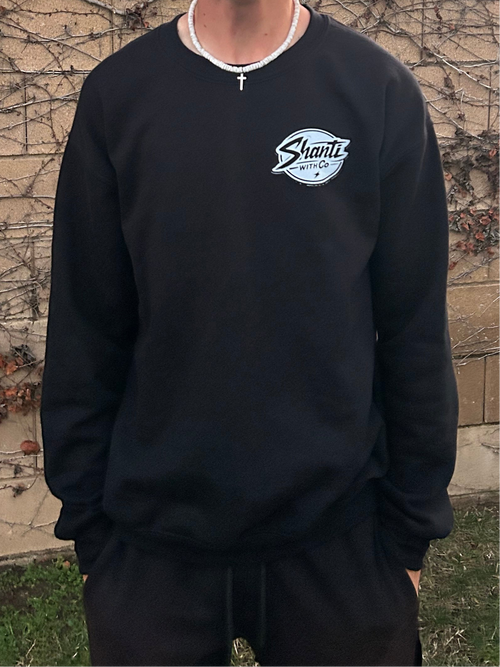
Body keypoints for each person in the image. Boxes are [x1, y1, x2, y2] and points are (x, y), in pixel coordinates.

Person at [40, 0, 459, 665]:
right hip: (151, 552)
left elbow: (414, 329)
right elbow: (85, 329)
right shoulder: (119, 94)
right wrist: (91, 533)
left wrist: (410, 536)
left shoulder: (376, 88)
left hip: (341, 545)